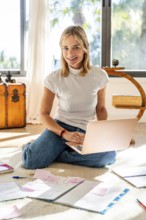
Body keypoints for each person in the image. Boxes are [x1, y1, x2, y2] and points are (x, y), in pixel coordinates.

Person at [22, 25, 116, 169]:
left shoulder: (99, 75)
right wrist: (64, 134)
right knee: (31, 161)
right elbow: (43, 114)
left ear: (85, 48)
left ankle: (57, 154)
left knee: (109, 155)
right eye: (65, 48)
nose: (70, 53)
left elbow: (101, 108)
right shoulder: (54, 78)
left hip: (85, 130)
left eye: (76, 47)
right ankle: (33, 148)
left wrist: (103, 133)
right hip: (59, 128)